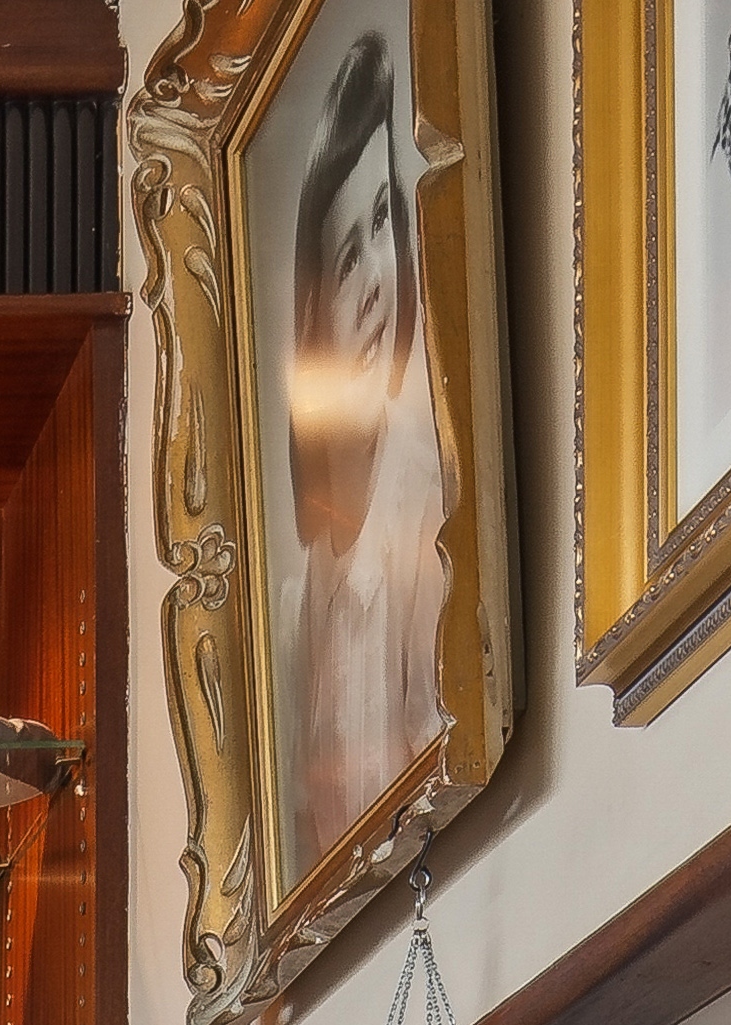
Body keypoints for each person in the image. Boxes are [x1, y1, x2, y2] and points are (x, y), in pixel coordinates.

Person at [277, 28, 447, 871]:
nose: (380, 276)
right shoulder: (300, 600)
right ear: (311, 321)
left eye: (384, 220)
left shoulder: (433, 522)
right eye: (348, 261)